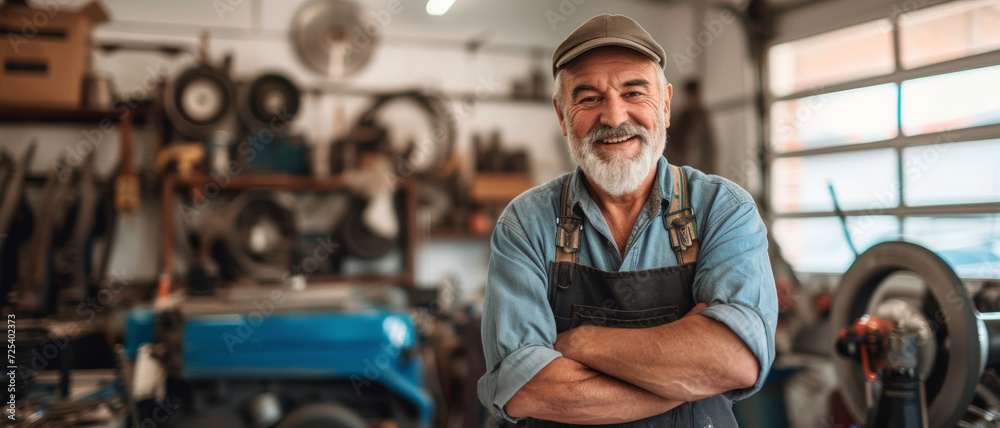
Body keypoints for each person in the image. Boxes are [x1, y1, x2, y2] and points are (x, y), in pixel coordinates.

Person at [477, 14, 777, 427]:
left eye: (633, 92)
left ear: (666, 105)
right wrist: (684, 372)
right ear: (562, 115)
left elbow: (734, 361)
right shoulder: (525, 225)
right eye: (588, 98)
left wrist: (581, 343)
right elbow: (526, 389)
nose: (614, 117)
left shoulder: (723, 210)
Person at [662, 79, 718, 175]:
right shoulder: (679, 117)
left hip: (701, 168)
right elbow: (669, 142)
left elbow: (709, 147)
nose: (693, 99)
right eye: (690, 95)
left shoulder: (703, 116)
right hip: (681, 167)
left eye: (695, 95)